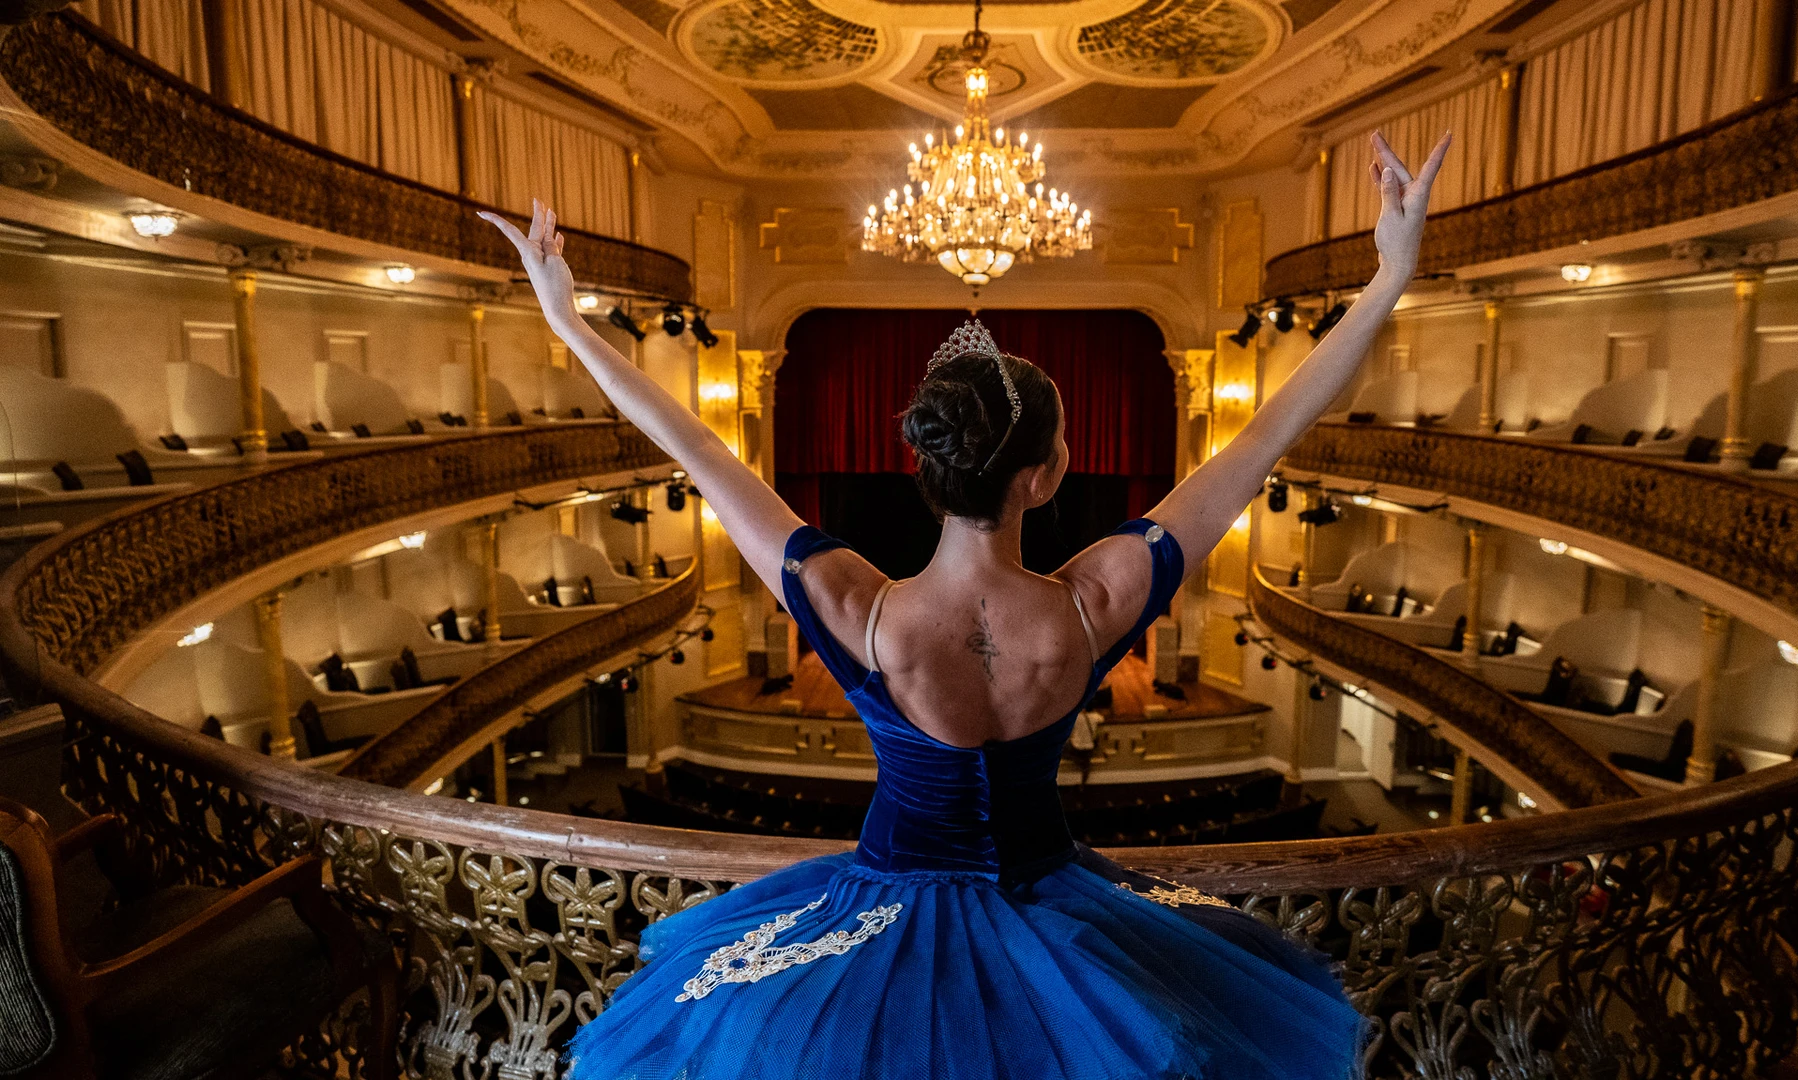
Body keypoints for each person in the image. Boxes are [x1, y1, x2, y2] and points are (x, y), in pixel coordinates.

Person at [480, 128, 1451, 1080]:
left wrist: (568, 320)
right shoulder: (1094, 605)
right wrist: (1387, 278)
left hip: (876, 916)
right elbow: (1263, 439)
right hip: (1061, 909)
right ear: (1049, 473)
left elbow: (696, 447)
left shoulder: (856, 609)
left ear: (926, 469)